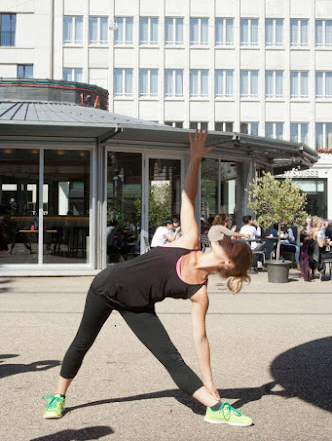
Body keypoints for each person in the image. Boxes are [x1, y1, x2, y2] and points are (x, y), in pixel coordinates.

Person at [42, 130, 253, 427]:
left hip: (137, 306)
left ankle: (214, 406)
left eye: (232, 243)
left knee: (171, 358)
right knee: (82, 343)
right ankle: (58, 396)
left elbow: (200, 339)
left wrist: (210, 380)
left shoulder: (199, 292)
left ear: (229, 263)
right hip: (105, 287)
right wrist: (195, 159)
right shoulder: (189, 239)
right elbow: (188, 197)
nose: (227, 237)